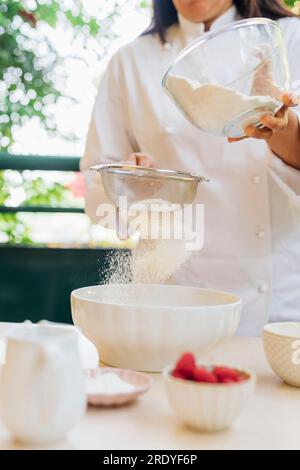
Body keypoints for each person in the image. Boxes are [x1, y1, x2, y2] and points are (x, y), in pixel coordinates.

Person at [81, 0, 300, 335]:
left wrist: (283, 129)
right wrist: (132, 184)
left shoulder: (290, 38)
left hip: (278, 300)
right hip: (170, 295)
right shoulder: (132, 61)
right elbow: (97, 193)